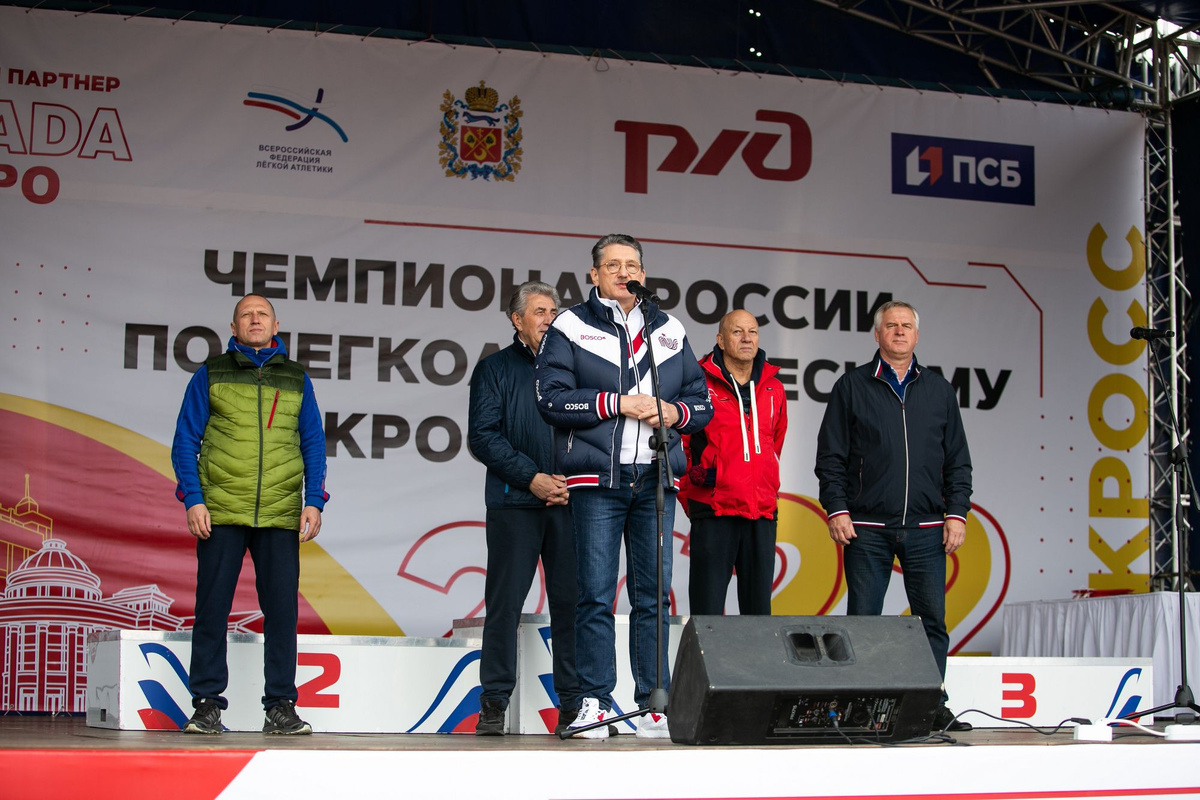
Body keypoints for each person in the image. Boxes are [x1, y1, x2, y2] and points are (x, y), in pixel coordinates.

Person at [535, 233, 713, 739]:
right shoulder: (570, 325)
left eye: (630, 264)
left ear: (642, 272)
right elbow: (550, 397)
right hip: (597, 481)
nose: (621, 272)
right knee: (593, 593)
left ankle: (654, 700)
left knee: (654, 595)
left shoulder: (669, 329)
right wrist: (619, 403)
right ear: (593, 275)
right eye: (611, 265)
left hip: (656, 479)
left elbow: (702, 405)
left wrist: (673, 412)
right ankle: (594, 701)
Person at [170, 294, 329, 736]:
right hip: (219, 511)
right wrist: (193, 499)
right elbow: (186, 441)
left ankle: (280, 705)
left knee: (281, 612)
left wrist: (313, 500)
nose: (254, 320)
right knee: (211, 609)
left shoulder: (297, 379)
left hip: (279, 513)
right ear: (234, 327)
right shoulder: (211, 373)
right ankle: (205, 705)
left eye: (262, 314)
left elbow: (313, 443)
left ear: (276, 324)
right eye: (246, 314)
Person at [814, 300, 973, 733]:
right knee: (863, 623)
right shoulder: (852, 386)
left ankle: (931, 705)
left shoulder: (939, 390)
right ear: (878, 335)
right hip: (865, 527)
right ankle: (860, 707)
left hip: (926, 529)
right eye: (891, 326)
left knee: (931, 623)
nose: (899, 332)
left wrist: (956, 513)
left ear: (916, 336)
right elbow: (831, 457)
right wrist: (838, 508)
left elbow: (958, 461)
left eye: (906, 326)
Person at [467, 281, 581, 736]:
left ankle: (575, 705)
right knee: (504, 606)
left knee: (573, 606)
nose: (549, 319)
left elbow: (593, 428)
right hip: (516, 503)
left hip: (571, 503)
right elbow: (483, 436)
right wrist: (532, 478)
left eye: (554, 310)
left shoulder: (577, 369)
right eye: (539, 311)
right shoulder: (494, 368)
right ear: (517, 320)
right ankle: (494, 702)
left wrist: (571, 481)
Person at [680, 309, 788, 616]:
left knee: (758, 615)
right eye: (737, 332)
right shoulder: (698, 384)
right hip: (715, 510)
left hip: (761, 511)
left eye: (752, 332)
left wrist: (764, 484)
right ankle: (704, 666)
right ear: (721, 340)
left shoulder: (773, 387)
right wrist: (698, 494)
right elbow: (681, 445)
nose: (746, 338)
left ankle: (755, 667)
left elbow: (774, 444)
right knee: (708, 611)